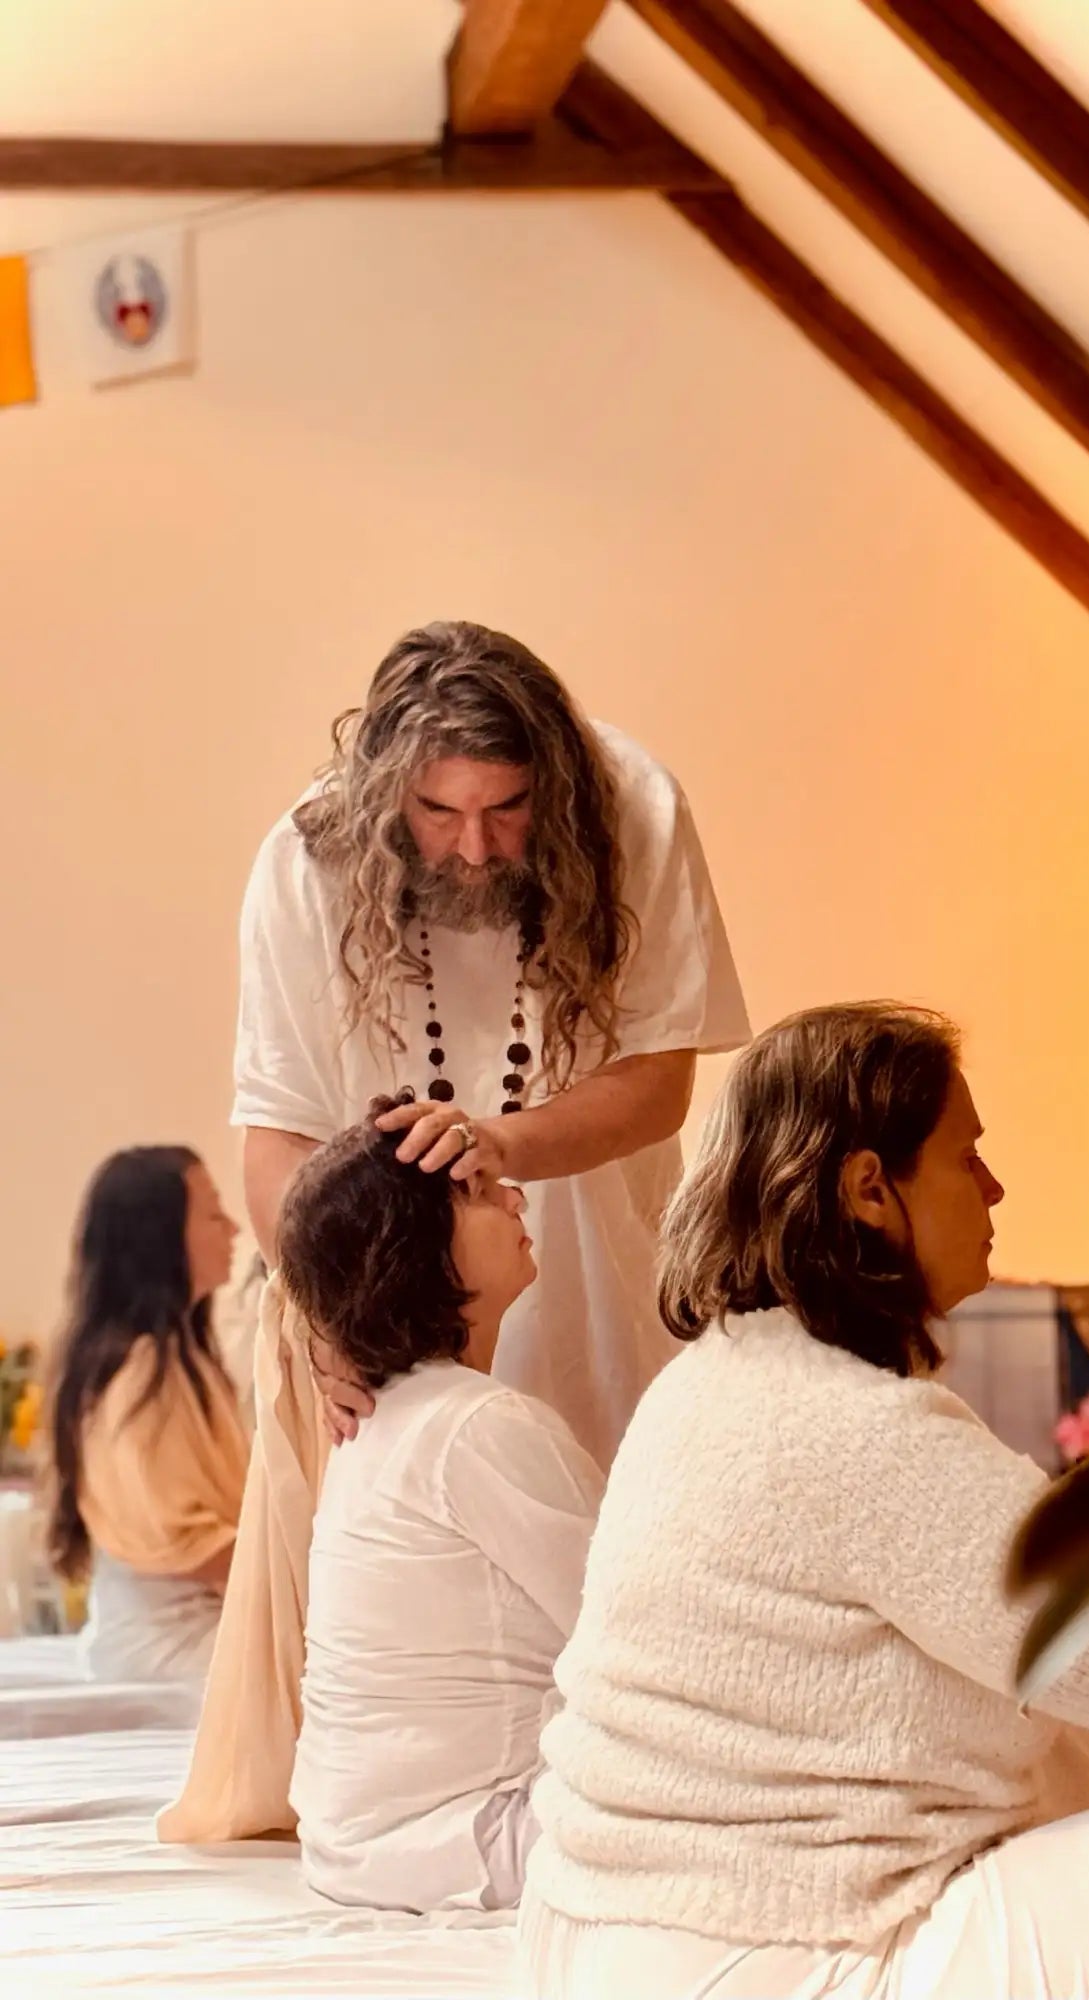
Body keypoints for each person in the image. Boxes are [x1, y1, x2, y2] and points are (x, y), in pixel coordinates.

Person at [160, 619, 747, 1842]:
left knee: (596, 1539)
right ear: (383, 792)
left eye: (507, 808)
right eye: (438, 811)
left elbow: (657, 1084)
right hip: (382, 1284)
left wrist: (495, 1148)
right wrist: (334, 1316)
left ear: (562, 787)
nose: (473, 846)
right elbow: (275, 1135)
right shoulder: (302, 856)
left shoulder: (635, 805)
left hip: (589, 1248)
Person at [522, 1004, 1089, 2000]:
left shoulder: (723, 1378)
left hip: (629, 1936)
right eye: (965, 1157)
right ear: (868, 1189)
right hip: (777, 1955)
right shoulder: (844, 1426)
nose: (992, 1188)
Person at [279, 1094, 602, 1913]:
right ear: (415, 1250)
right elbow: (636, 1636)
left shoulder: (384, 1420)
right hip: (468, 1838)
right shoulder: (478, 1424)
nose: (515, 1197)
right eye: (478, 1192)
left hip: (358, 1845)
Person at [46, 1148, 246, 1684]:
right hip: (164, 1644)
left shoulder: (185, 1354)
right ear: (160, 1238)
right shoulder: (137, 1374)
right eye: (211, 1213)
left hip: (205, 1621)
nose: (233, 1227)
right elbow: (183, 1543)